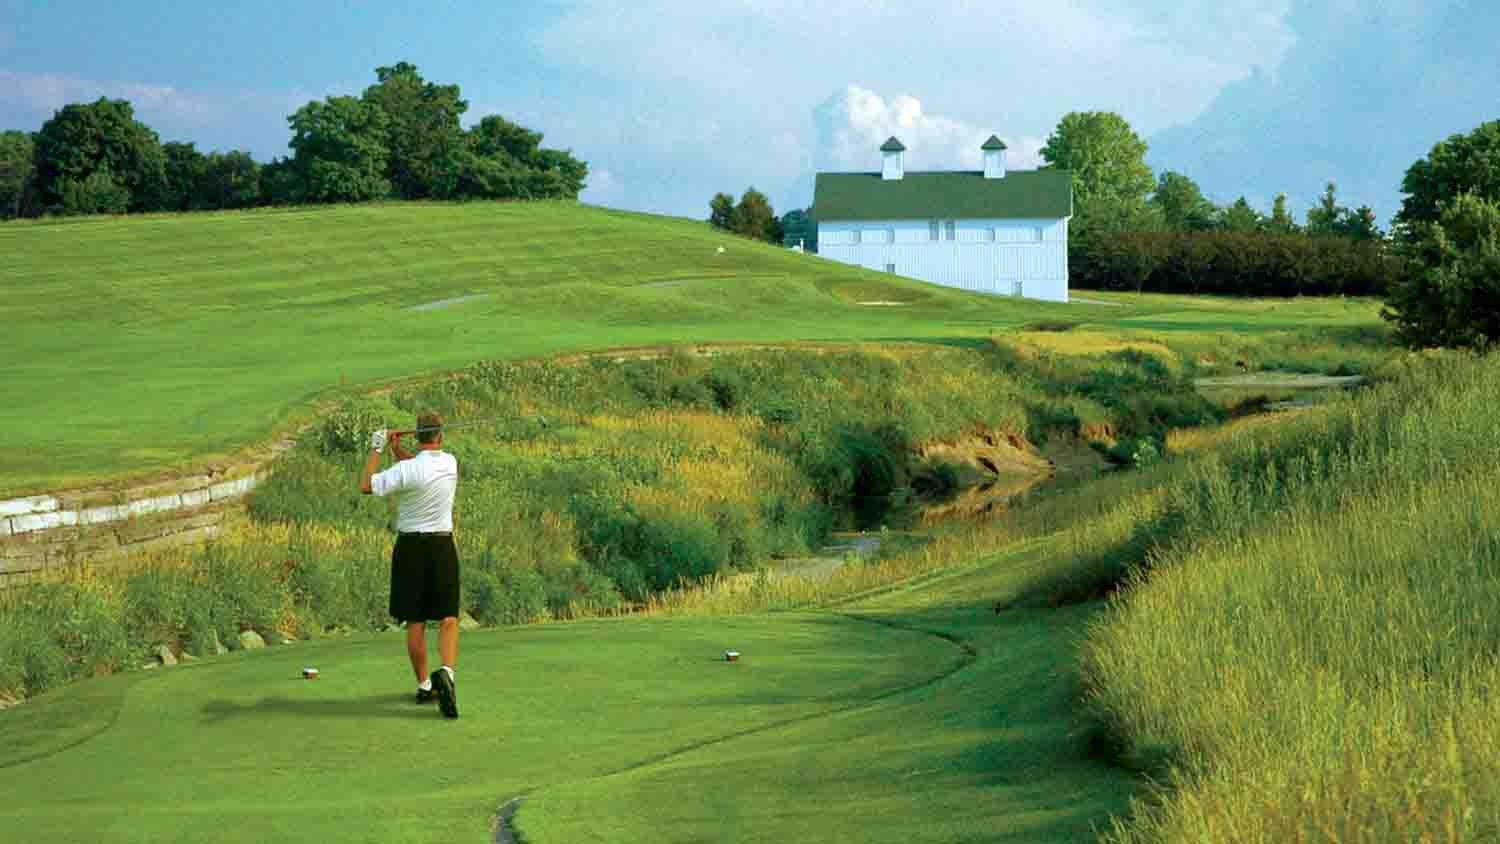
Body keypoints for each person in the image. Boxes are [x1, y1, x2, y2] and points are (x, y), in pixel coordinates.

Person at [359, 411, 461, 719]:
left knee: (416, 622)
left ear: (417, 436)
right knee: (448, 617)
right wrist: (397, 450)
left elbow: (367, 485)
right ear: (440, 435)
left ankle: (425, 685)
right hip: (442, 546)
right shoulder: (450, 463)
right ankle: (447, 672)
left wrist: (378, 447)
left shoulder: (407, 469)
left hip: (411, 549)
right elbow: (422, 469)